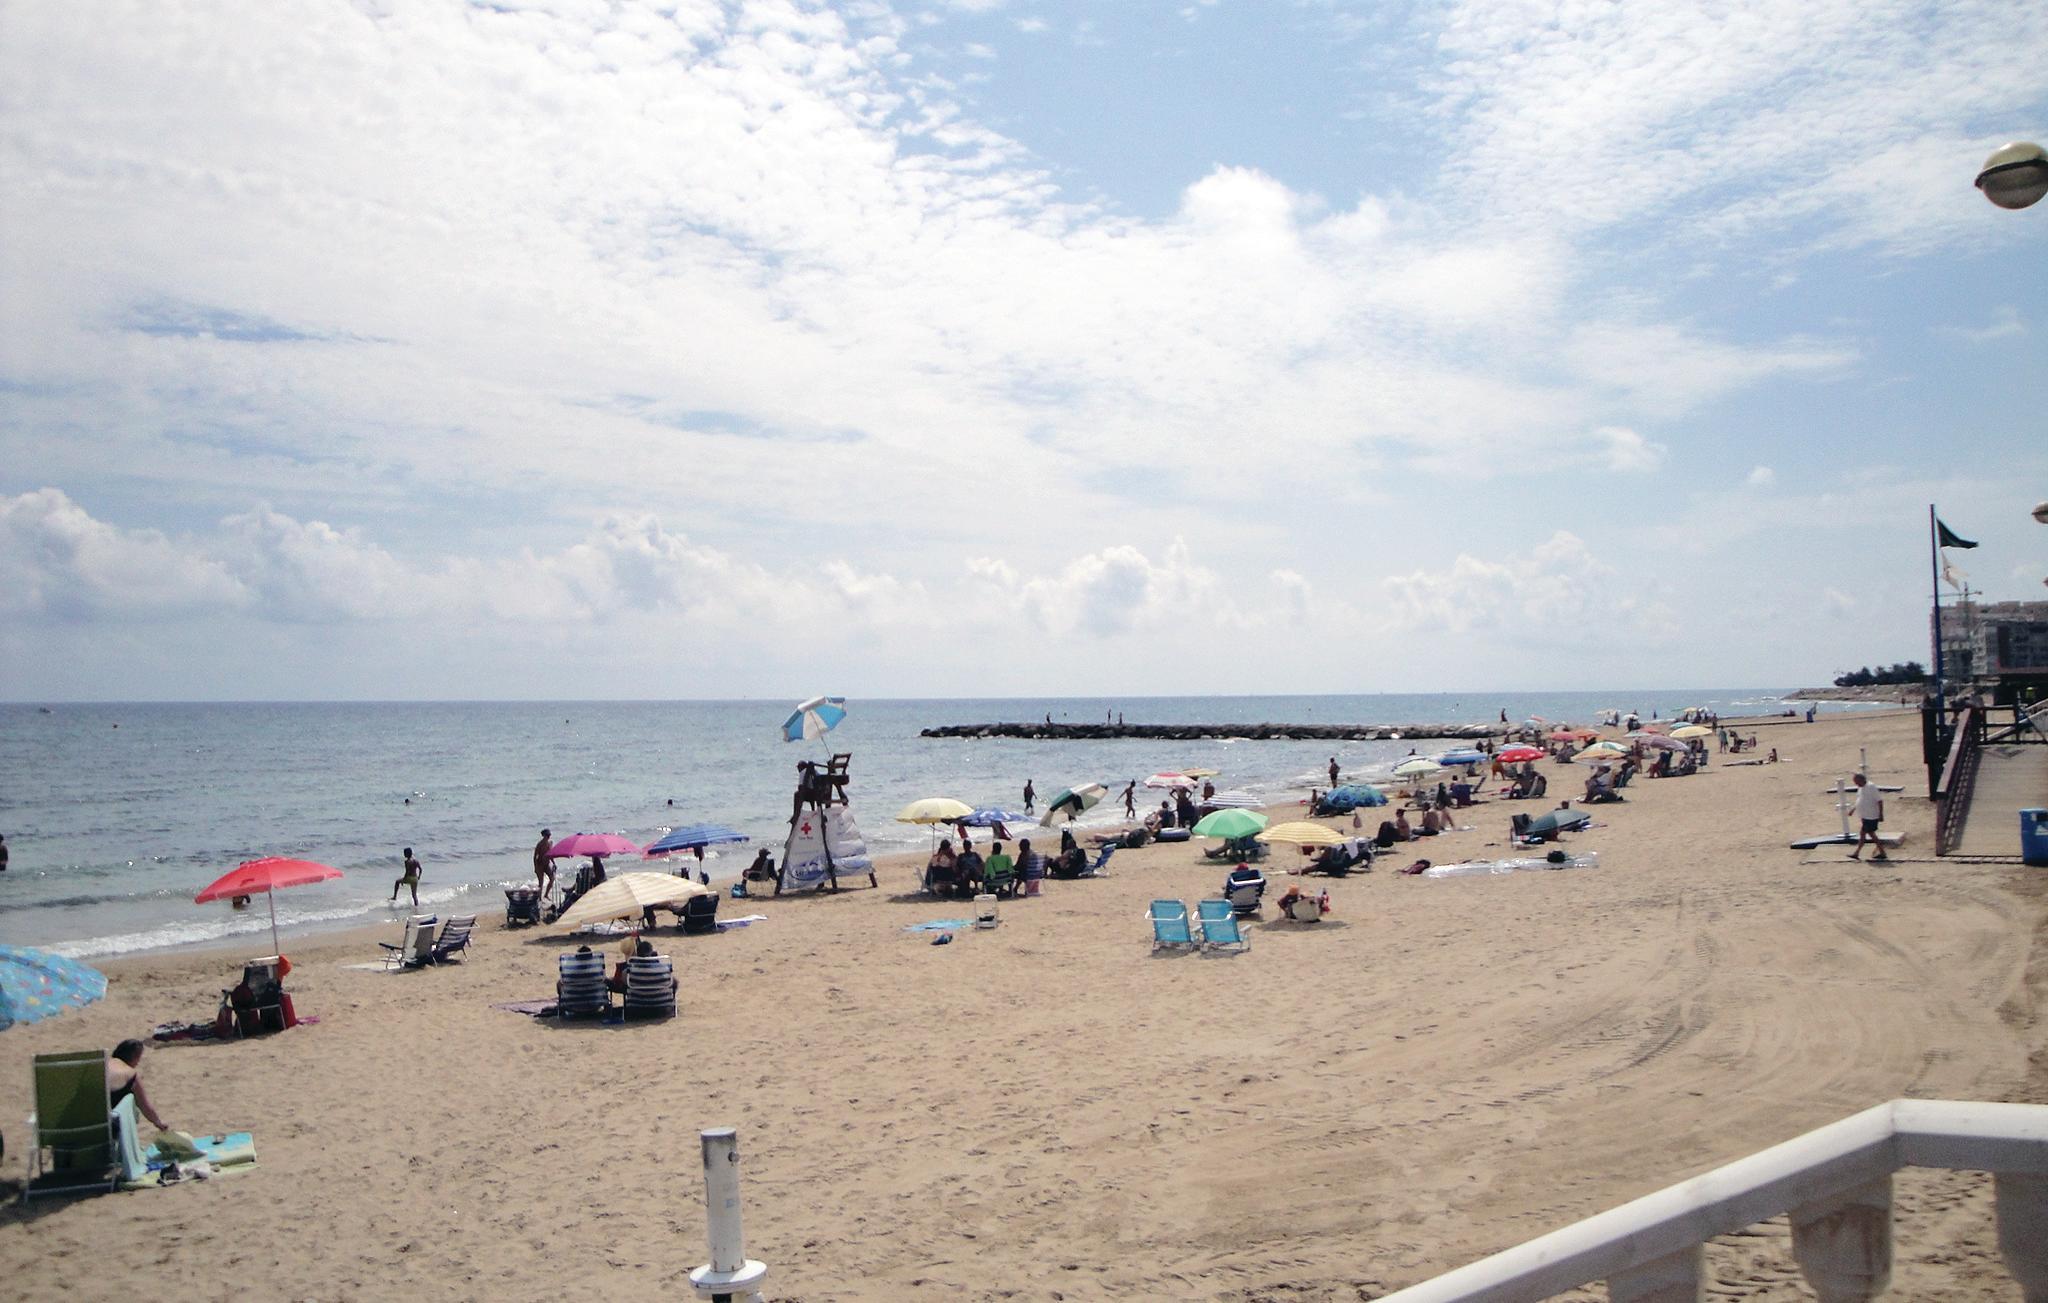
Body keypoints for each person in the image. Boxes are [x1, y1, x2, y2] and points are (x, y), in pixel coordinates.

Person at [108, 1040, 168, 1131]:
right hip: (109, 1123)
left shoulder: (104, 1062)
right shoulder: (130, 1073)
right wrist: (158, 1123)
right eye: (138, 1058)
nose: (138, 1063)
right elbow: (144, 1105)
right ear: (134, 1057)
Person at [1849, 773, 1887, 861]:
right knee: (1871, 834)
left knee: (1863, 834)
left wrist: (1881, 814)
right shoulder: (1861, 788)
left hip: (1871, 816)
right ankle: (1882, 851)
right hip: (1865, 816)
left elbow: (1880, 801)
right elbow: (1859, 799)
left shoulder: (1871, 787)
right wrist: (1853, 809)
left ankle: (1857, 853)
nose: (1856, 784)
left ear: (1862, 780)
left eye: (1856, 781)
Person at [533, 829, 555, 899]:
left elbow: (550, 854)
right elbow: (535, 856)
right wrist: (536, 867)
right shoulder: (540, 844)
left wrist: (554, 863)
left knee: (552, 878)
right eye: (547, 835)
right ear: (544, 836)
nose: (548, 837)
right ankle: (539, 898)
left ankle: (546, 894)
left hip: (547, 864)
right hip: (540, 864)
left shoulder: (550, 843)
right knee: (541, 882)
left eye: (549, 835)